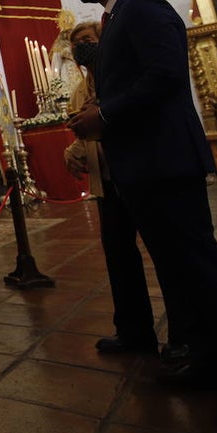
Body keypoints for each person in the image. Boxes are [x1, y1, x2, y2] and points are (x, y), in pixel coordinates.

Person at [67, 0, 217, 431]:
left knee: (201, 266)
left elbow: (163, 77)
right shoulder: (114, 21)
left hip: (164, 159)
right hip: (140, 166)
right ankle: (204, 359)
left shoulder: (144, 8)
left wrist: (106, 115)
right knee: (178, 273)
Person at [63, 21, 158, 355]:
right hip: (104, 181)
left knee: (163, 254)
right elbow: (81, 130)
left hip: (137, 173)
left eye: (88, 41)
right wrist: (74, 150)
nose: (82, 48)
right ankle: (133, 330)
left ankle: (188, 338)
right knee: (119, 257)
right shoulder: (79, 87)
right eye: (76, 45)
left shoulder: (121, 74)